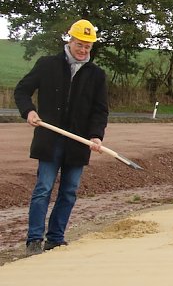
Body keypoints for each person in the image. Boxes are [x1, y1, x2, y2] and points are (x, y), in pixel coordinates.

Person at [14, 19, 109, 255]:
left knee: (69, 191)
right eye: (80, 44)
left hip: (78, 144)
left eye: (88, 46)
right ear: (70, 40)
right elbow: (22, 90)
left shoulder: (96, 75)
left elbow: (100, 110)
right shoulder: (48, 65)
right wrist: (29, 111)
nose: (84, 49)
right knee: (43, 188)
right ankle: (34, 240)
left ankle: (55, 238)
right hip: (49, 138)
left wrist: (96, 136)